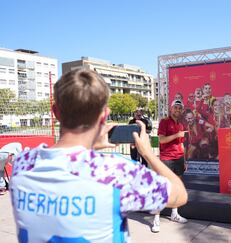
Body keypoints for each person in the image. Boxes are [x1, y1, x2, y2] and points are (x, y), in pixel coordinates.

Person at [10, 69, 188, 243]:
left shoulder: (22, 164)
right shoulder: (117, 172)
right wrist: (148, 153)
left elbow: (60, 158)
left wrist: (91, 145)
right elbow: (179, 195)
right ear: (104, 116)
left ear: (55, 112)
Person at [151, 99, 188, 233]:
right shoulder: (164, 122)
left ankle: (174, 214)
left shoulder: (181, 124)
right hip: (166, 159)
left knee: (177, 188)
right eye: (175, 108)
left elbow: (181, 144)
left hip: (179, 158)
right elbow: (161, 140)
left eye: (180, 108)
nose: (177, 110)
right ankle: (156, 219)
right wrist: (177, 135)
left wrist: (184, 160)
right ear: (171, 109)